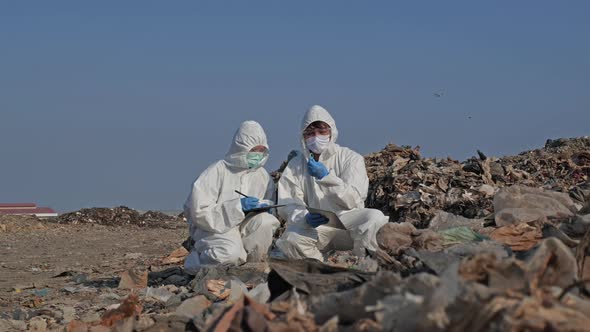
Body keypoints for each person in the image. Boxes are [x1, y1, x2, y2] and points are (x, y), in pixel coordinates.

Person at [276, 105, 388, 260]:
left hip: (348, 224)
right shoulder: (296, 164)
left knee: (375, 217)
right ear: (303, 136)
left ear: (332, 132)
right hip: (317, 227)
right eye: (310, 133)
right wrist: (303, 216)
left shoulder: (351, 158)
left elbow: (353, 199)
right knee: (290, 240)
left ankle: (362, 263)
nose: (316, 137)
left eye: (322, 132)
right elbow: (287, 202)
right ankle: (321, 268)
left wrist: (326, 178)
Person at [183, 120, 280, 273]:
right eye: (254, 150)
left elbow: (268, 204)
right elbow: (199, 212)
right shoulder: (217, 171)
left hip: (244, 225)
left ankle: (252, 267)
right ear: (241, 148)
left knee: (267, 222)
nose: (258, 155)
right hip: (216, 228)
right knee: (230, 254)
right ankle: (195, 262)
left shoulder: (262, 176)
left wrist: (265, 209)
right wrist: (237, 207)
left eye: (262, 151)